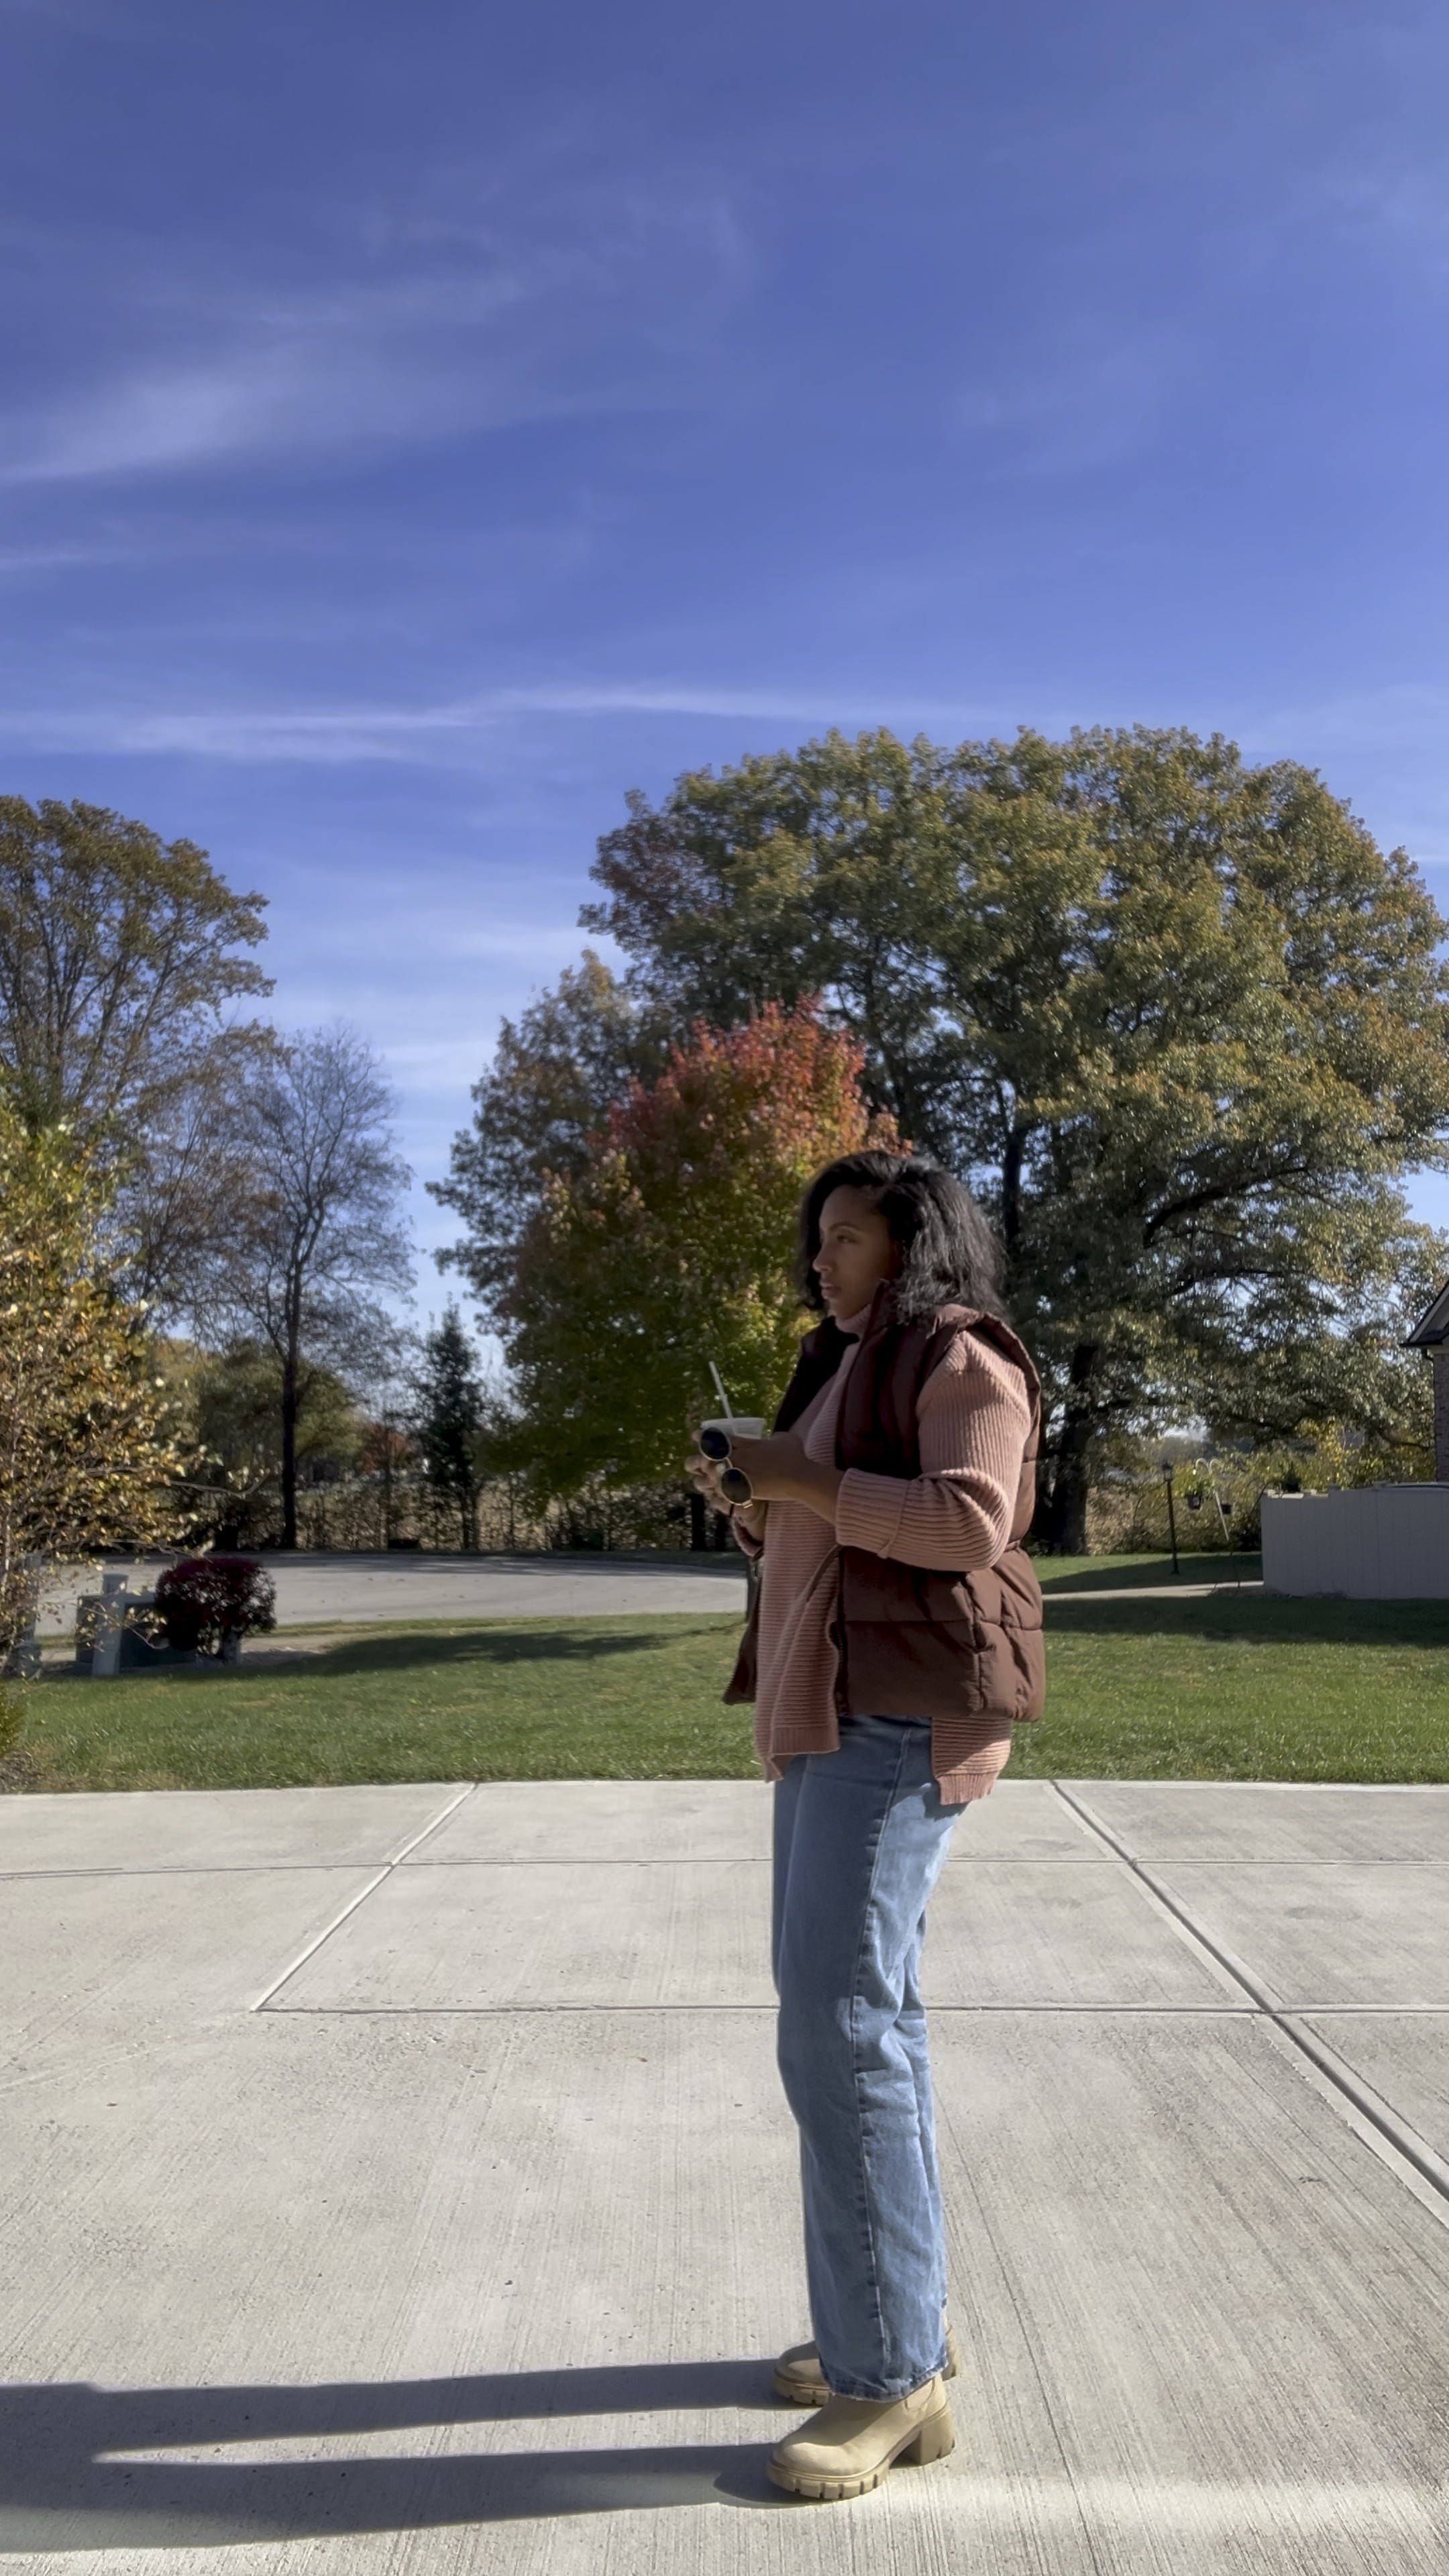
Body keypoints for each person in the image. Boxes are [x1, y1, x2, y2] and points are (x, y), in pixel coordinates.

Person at [690, 1150, 1044, 2504]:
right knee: (864, 2023)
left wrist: (807, 1479)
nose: (820, 1258)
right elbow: (829, 1534)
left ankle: (889, 2377)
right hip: (830, 1716)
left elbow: (969, 1524)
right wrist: (760, 1496)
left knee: (838, 2030)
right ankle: (894, 2336)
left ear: (914, 1245)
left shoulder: (960, 1357)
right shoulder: (842, 1363)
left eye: (847, 1236)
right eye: (818, 1238)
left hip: (894, 1729)